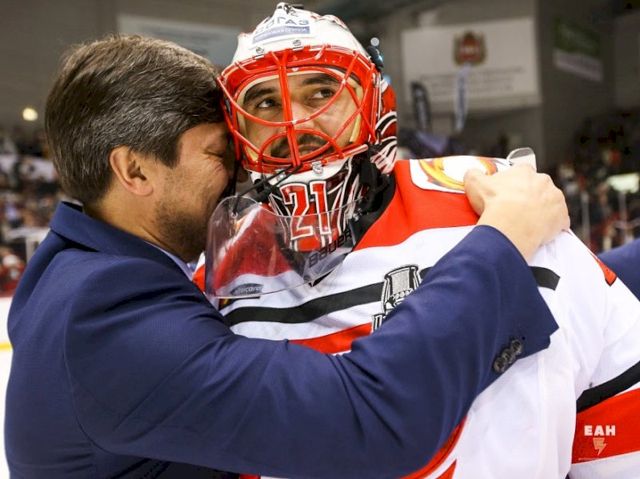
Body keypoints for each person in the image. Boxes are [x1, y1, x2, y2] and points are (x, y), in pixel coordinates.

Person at [1, 34, 568, 479]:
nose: (243, 173)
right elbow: (368, 418)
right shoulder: (106, 317)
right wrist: (500, 241)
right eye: (220, 153)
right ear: (135, 170)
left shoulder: (79, 273)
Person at [199, 4, 640, 478]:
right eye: (265, 102)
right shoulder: (222, 275)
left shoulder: (490, 203)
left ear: (374, 105)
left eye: (323, 91)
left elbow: (613, 393)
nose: (295, 123)